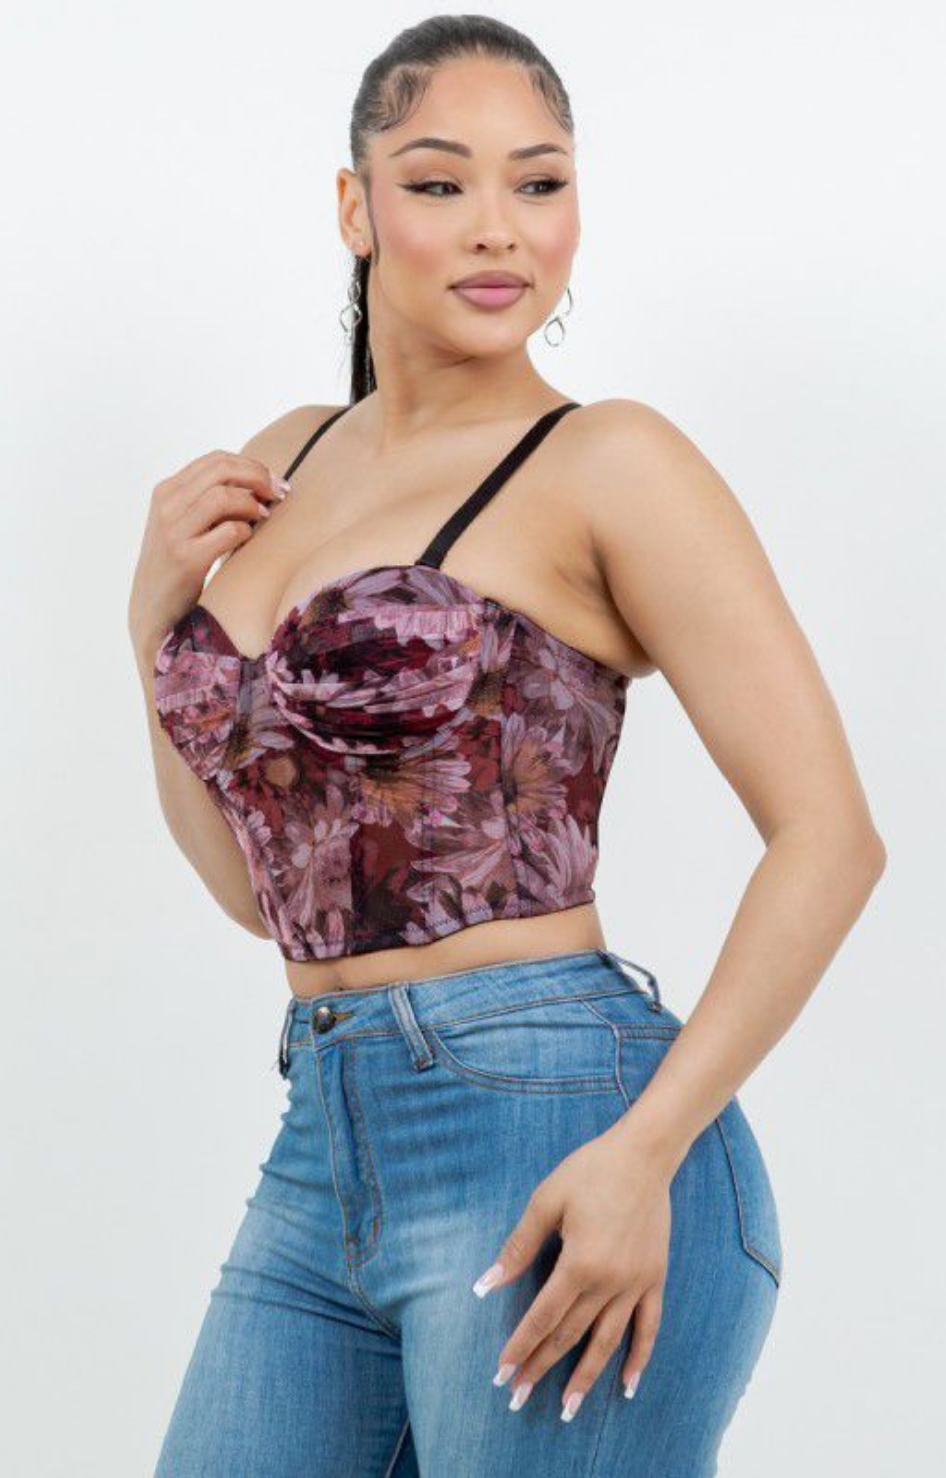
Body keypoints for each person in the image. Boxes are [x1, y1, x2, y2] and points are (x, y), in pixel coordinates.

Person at [128, 16, 886, 1477]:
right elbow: (263, 893)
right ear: (354, 208)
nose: (498, 228)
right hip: (322, 1135)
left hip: (557, 1123)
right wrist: (149, 622)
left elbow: (831, 839)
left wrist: (646, 1150)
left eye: (538, 184)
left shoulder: (609, 460)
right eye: (438, 183)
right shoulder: (284, 456)